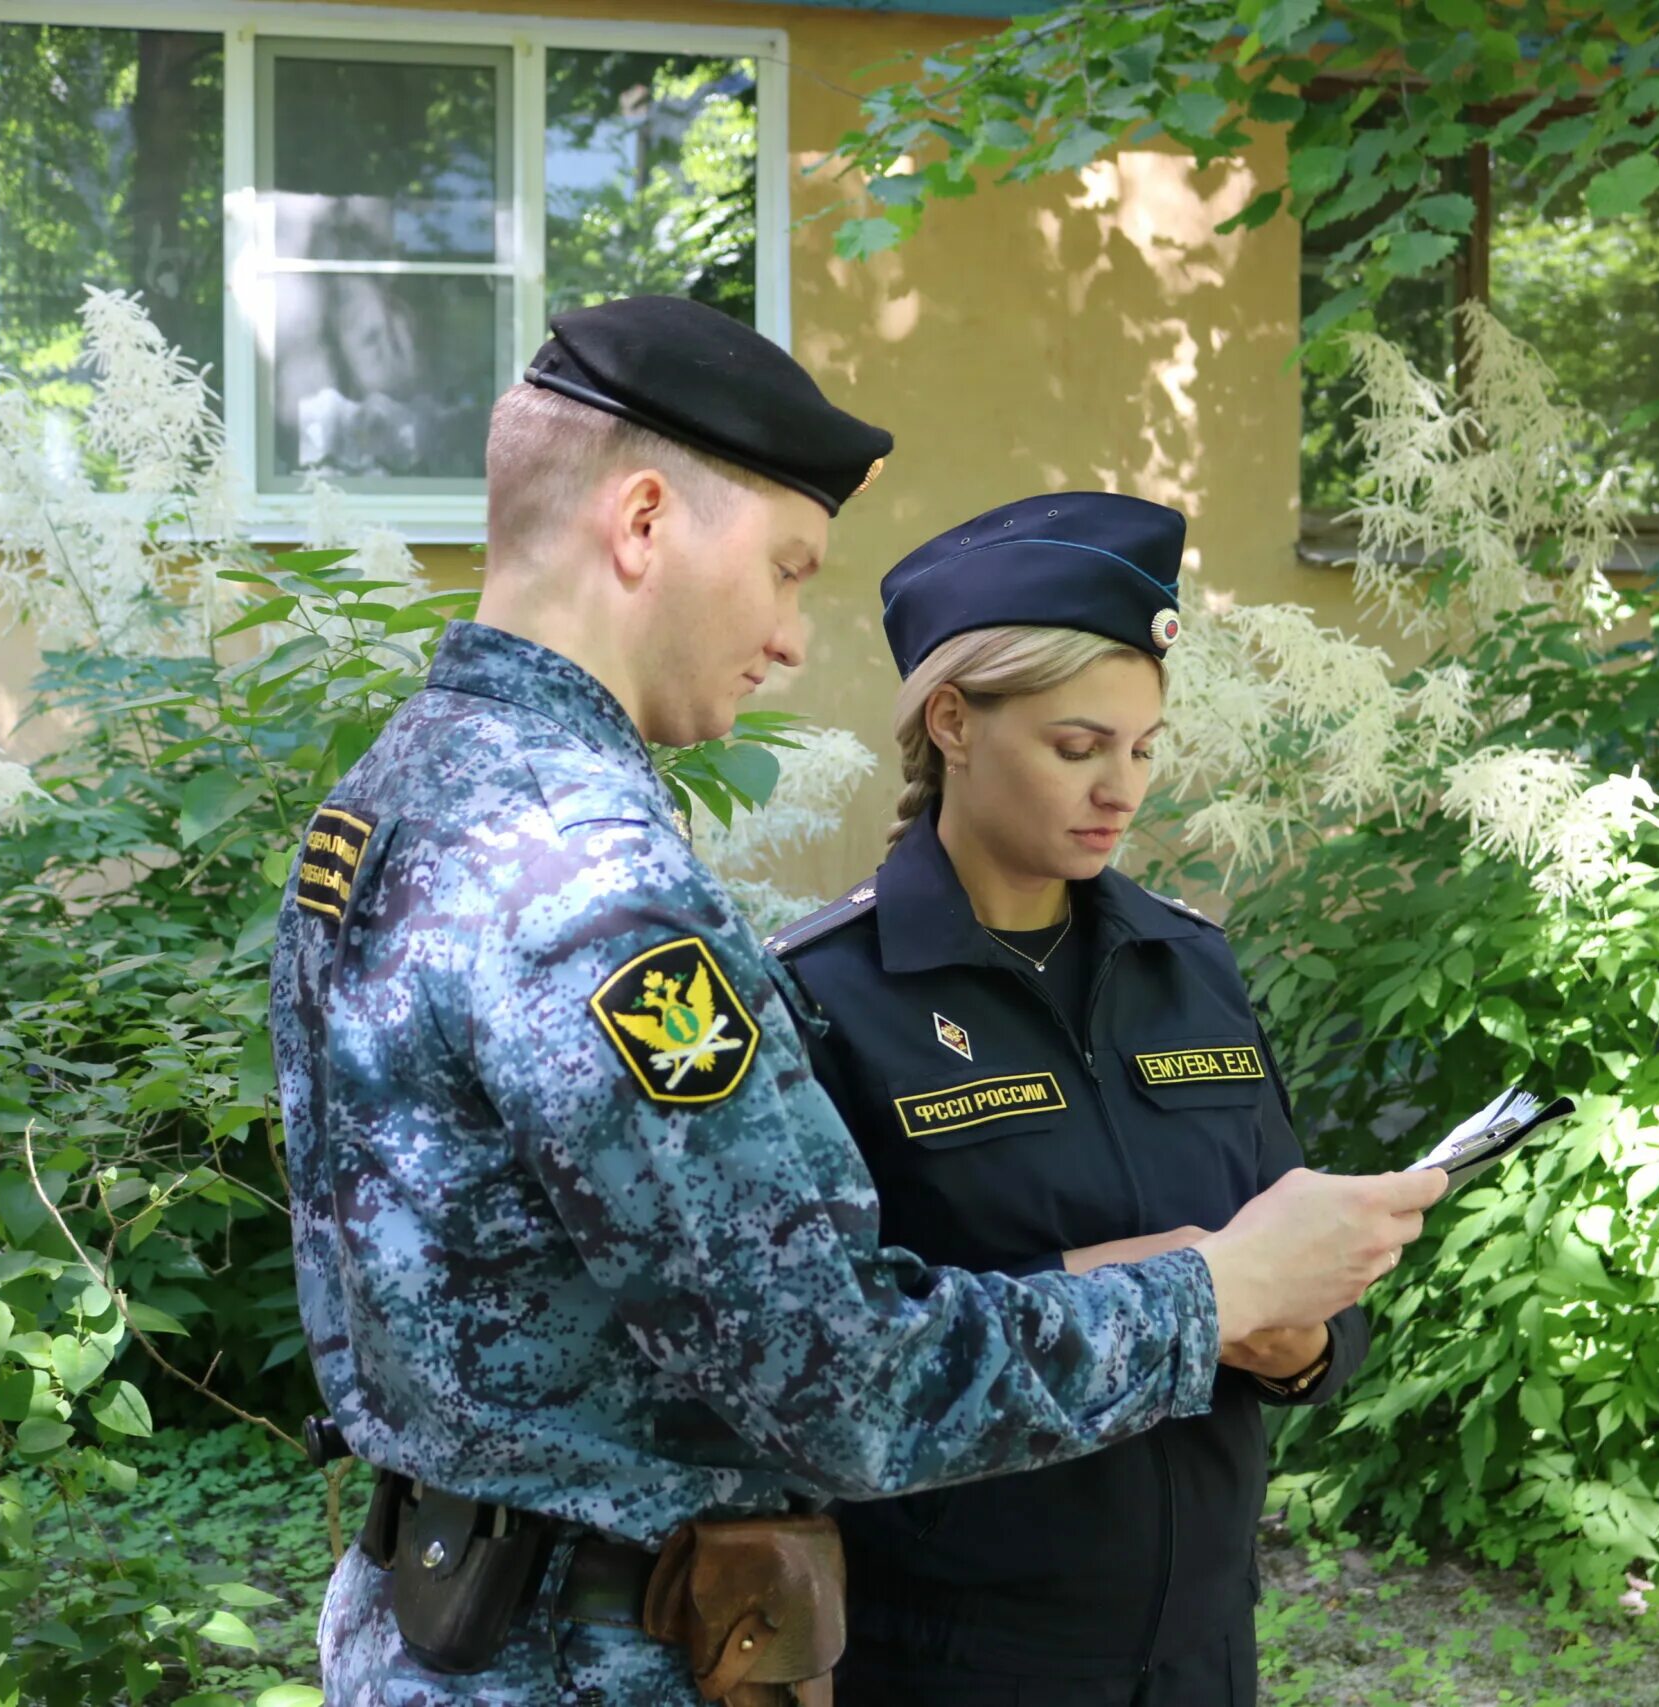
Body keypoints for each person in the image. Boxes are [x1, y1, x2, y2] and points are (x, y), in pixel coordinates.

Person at [267, 294, 1449, 1705]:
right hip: (577, 1657)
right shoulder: (597, 888)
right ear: (643, 522)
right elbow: (842, 1378)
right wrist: (1224, 1285)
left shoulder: (397, 796)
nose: (787, 635)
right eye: (784, 568)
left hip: (433, 1628)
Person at [768, 493, 1366, 1707]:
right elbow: (827, 1354)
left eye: (1141, 751)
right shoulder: (827, 996)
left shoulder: (1189, 967)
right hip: (954, 1658)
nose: (1120, 790)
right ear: (954, 723)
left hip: (1200, 1645)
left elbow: (1289, 1241)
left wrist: (1308, 1343)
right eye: (1077, 747)